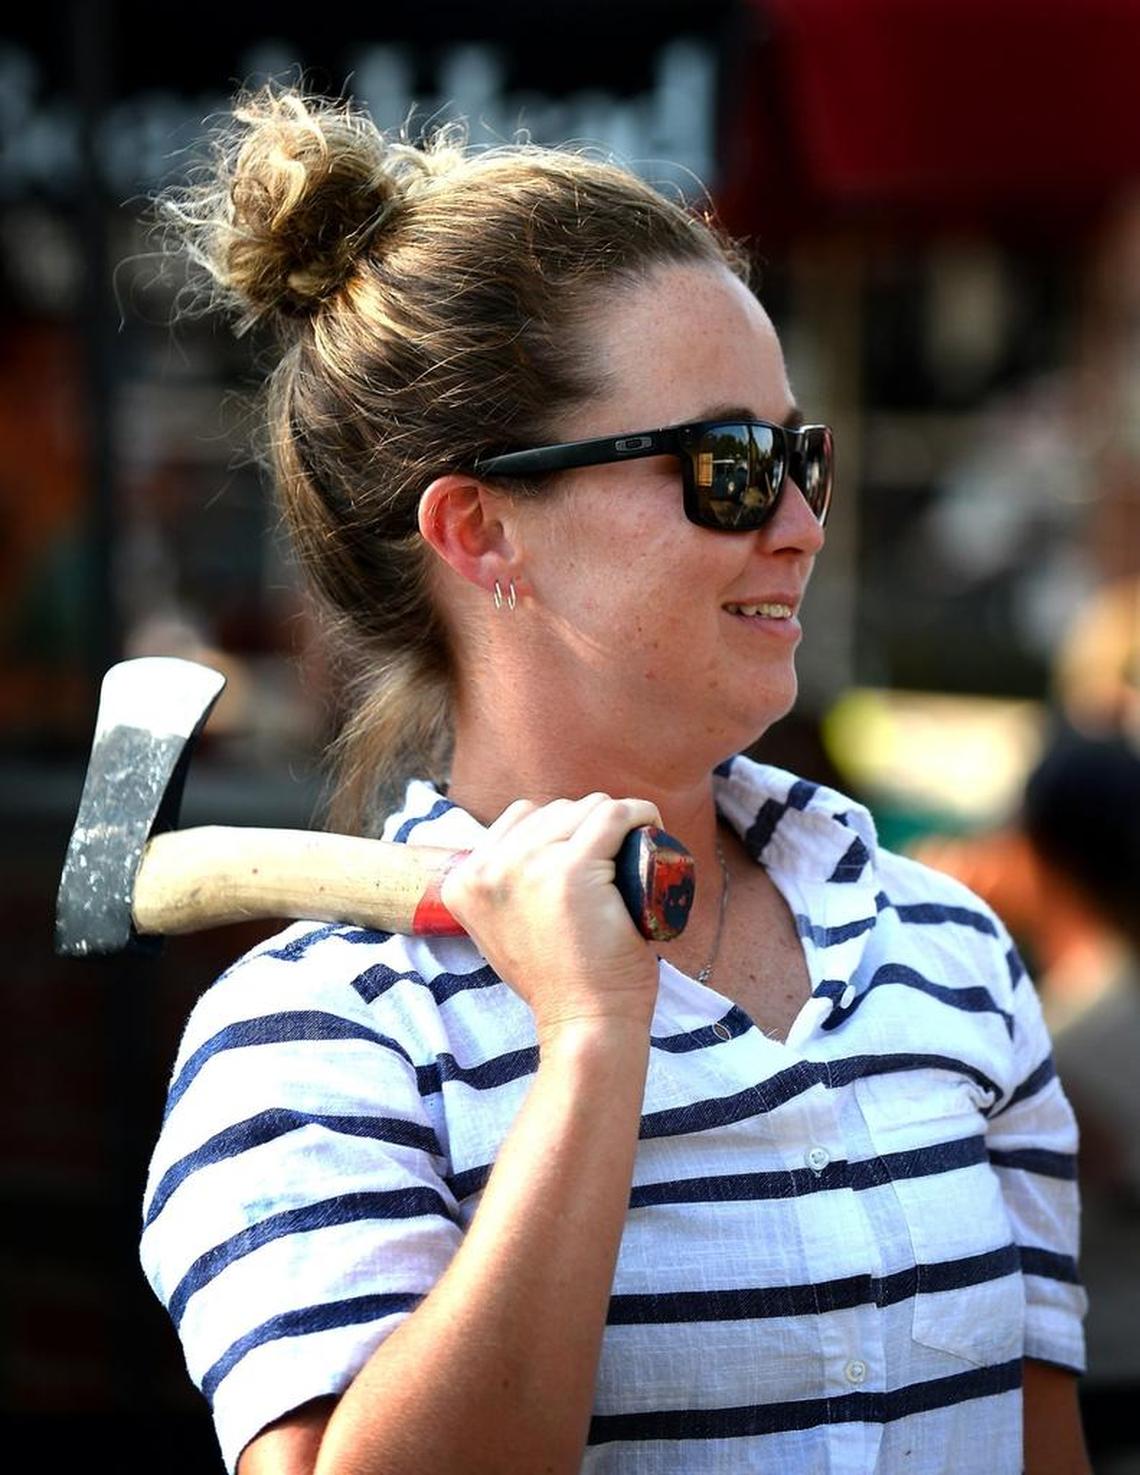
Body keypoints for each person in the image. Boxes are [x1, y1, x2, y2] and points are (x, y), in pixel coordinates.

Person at [139, 87, 1089, 1475]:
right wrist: (592, 1044)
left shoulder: (951, 956)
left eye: (800, 454)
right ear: (481, 533)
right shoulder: (318, 1040)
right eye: (728, 467)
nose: (805, 524)